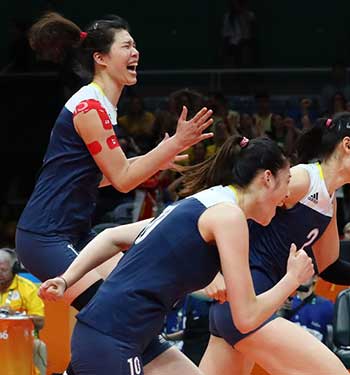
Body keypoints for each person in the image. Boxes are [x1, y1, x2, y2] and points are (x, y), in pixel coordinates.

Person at [15, 12, 214, 374]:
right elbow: (122, 179)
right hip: (45, 237)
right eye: (126, 46)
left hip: (72, 232)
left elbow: (100, 179)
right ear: (101, 58)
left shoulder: (103, 106)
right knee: (114, 312)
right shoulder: (90, 107)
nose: (135, 51)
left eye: (135, 44)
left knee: (130, 301)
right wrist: (168, 149)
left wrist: (155, 161)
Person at [39, 135, 314, 375]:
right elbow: (245, 317)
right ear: (267, 178)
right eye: (286, 181)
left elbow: (111, 236)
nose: (287, 194)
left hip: (132, 337)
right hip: (112, 337)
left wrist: (66, 279)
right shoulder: (229, 216)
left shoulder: (204, 202)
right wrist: (291, 280)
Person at [199, 112, 350, 375]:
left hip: (244, 308)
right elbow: (228, 208)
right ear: (347, 146)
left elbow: (329, 267)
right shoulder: (302, 179)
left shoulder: (329, 201)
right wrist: (211, 273)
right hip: (247, 304)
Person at [0, 248, 47, 375]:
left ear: (14, 269)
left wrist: (15, 315)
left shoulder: (27, 288)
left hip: (21, 342)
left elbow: (40, 322)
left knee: (39, 346)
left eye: (3, 270)